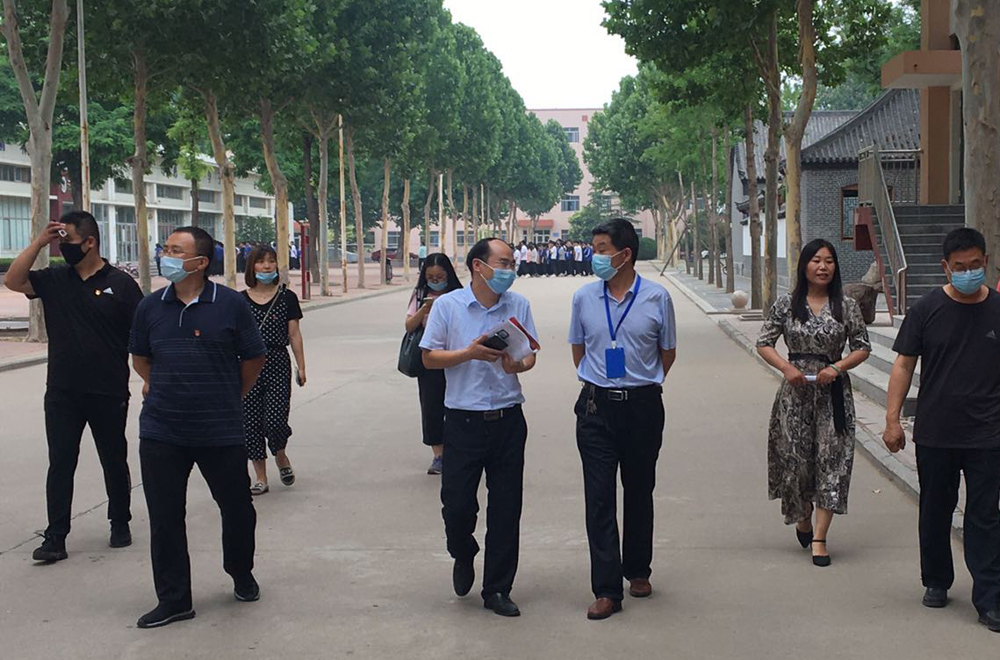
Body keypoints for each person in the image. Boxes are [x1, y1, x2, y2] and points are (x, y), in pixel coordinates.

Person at [129, 226, 267, 629]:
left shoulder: (230, 304)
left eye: (176, 250)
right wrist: (163, 385)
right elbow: (140, 358)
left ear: (200, 262)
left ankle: (240, 571)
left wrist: (229, 394)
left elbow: (254, 357)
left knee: (237, 508)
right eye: (166, 248)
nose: (166, 255)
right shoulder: (150, 306)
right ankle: (174, 599)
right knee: (165, 517)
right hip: (162, 430)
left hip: (219, 429)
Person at [4, 211, 143, 562]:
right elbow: (13, 281)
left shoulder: (121, 285)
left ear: (90, 242)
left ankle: (120, 521)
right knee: (61, 462)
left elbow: (144, 336)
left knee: (113, 458)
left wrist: (150, 379)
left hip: (108, 390)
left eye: (67, 241)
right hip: (63, 391)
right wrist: (39, 242)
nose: (62, 248)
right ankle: (56, 536)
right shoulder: (55, 279)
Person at [883, 227, 1000, 631]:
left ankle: (990, 597)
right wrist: (892, 419)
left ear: (986, 262)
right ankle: (936, 579)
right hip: (936, 431)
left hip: (988, 433)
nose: (968, 272)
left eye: (975, 265)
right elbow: (903, 364)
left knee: (985, 516)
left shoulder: (998, 309)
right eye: (959, 267)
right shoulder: (927, 308)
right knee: (935, 509)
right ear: (945, 268)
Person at [420, 237, 538, 618]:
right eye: (503, 263)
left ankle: (498, 588)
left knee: (506, 508)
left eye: (512, 264)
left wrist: (516, 365)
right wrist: (468, 353)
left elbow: (530, 355)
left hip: (508, 419)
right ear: (478, 266)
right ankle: (463, 550)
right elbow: (429, 358)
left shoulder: (518, 305)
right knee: (456, 506)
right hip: (463, 421)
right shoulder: (448, 306)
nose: (509, 270)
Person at [568, 218, 677, 620]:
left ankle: (638, 569)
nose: (594, 256)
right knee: (599, 497)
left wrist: (639, 384)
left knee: (639, 490)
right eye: (593, 249)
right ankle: (607, 589)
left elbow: (667, 352)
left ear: (625, 254)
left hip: (642, 407)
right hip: (596, 407)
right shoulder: (583, 297)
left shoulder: (657, 297)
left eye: (601, 249)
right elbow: (578, 350)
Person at [756, 239, 871, 567]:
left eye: (829, 261)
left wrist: (837, 367)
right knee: (796, 463)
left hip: (833, 397)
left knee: (832, 462)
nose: (823, 267)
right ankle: (803, 517)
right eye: (816, 260)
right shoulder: (786, 304)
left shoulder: (846, 305)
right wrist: (786, 367)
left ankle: (820, 537)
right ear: (804, 265)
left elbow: (862, 347)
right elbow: (764, 342)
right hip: (795, 395)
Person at [242, 245, 306, 495]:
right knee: (250, 422)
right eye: (261, 262)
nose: (267, 266)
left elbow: (294, 334)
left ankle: (280, 454)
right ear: (252, 267)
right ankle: (260, 476)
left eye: (271, 261)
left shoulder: (287, 298)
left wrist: (301, 366)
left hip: (277, 362)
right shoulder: (239, 300)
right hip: (247, 364)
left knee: (275, 420)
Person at [405, 253, 464, 475]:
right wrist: (424, 309)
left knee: (457, 406)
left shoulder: (459, 295)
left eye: (440, 276)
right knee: (431, 406)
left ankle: (457, 450)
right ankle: (438, 455)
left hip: (456, 357)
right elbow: (409, 326)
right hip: (429, 360)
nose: (436, 281)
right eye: (431, 277)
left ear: (449, 274)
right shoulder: (420, 294)